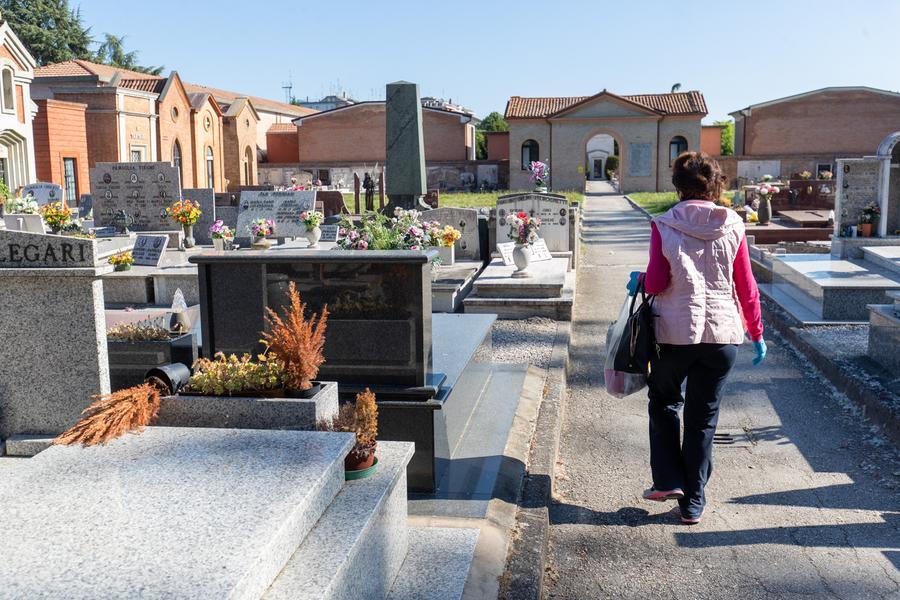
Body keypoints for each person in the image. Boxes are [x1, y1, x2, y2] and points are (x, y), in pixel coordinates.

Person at [626, 151, 766, 525]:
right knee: (703, 418)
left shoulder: (663, 224)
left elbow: (656, 282)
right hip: (722, 336)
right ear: (716, 184)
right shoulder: (734, 223)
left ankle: (669, 480)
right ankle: (693, 502)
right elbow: (746, 285)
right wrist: (757, 332)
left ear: (678, 186)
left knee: (665, 402)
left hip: (672, 335)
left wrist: (639, 279)